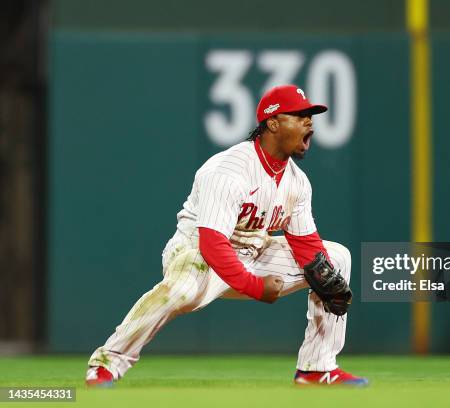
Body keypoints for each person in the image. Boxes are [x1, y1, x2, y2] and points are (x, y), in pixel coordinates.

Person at [85, 84, 368, 387]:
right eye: (299, 116)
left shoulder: (297, 182)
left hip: (255, 254)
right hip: (198, 254)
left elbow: (306, 245)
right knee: (180, 290)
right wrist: (255, 287)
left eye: (310, 116)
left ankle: (316, 368)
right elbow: (213, 244)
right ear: (272, 123)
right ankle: (106, 362)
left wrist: (326, 280)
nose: (309, 122)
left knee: (335, 259)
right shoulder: (229, 169)